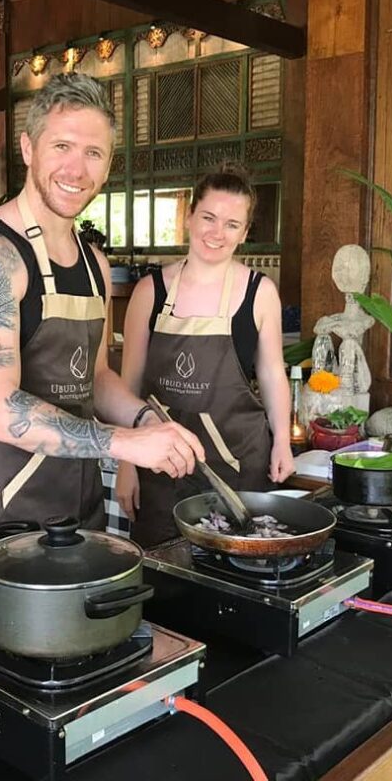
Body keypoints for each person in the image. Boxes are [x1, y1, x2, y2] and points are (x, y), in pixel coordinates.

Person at [0, 73, 203, 594]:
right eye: (62, 146)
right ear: (28, 148)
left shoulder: (94, 265)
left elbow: (95, 377)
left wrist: (148, 420)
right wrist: (126, 443)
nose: (77, 169)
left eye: (94, 153)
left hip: (77, 516)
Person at [115, 164, 294, 547]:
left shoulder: (260, 292)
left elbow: (272, 373)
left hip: (238, 465)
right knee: (162, 571)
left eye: (232, 224)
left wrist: (282, 440)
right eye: (209, 217)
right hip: (161, 468)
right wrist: (126, 463)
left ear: (244, 232)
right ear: (189, 217)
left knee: (235, 569)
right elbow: (129, 385)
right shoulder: (149, 292)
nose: (217, 232)